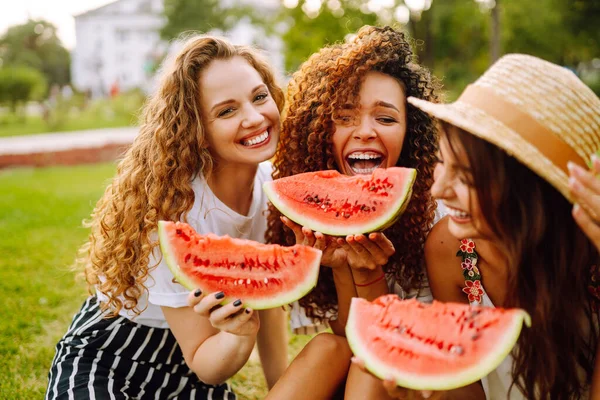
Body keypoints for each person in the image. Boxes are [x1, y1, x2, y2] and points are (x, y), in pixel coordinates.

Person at [45, 35, 288, 399]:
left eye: (259, 97)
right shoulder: (172, 209)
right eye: (226, 111)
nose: (254, 118)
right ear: (198, 130)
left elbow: (268, 307)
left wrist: (281, 389)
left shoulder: (272, 189)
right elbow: (204, 360)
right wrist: (239, 334)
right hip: (112, 356)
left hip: (189, 367)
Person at [365, 53, 600, 399]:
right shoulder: (451, 250)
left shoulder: (592, 261)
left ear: (529, 189)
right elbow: (468, 387)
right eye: (442, 163)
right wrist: (425, 390)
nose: (439, 190)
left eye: (468, 178)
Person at [264, 25, 443, 399]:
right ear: (318, 129)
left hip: (424, 377)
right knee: (327, 347)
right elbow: (351, 337)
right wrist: (344, 268)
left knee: (369, 367)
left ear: (411, 132)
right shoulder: (309, 216)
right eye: (344, 117)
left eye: (386, 118)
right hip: (365, 359)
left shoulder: (438, 212)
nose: (364, 131)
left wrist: (368, 272)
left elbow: (391, 346)